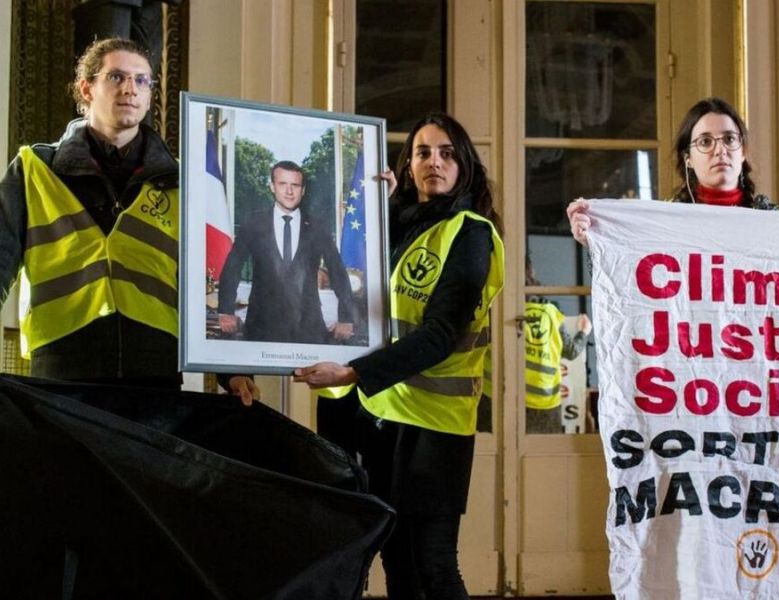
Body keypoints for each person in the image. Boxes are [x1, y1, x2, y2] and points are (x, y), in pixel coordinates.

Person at [294, 112, 504, 599]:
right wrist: (382, 209)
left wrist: (353, 371)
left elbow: (441, 334)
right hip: (381, 413)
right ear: (408, 165)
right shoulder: (395, 224)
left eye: (447, 153)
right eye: (423, 152)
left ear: (464, 165)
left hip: (435, 422)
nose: (435, 162)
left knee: (433, 561)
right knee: (396, 557)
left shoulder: (470, 233)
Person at [0, 37, 256, 403]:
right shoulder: (34, 170)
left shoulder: (183, 181)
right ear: (86, 88)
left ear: (150, 95)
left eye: (141, 80)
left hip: (155, 372)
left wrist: (233, 370)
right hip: (63, 369)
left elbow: (205, 284)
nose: (130, 89)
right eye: (116, 77)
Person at [568, 96, 779, 244]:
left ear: (742, 152)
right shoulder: (661, 221)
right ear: (688, 159)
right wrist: (594, 240)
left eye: (729, 139)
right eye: (705, 142)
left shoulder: (774, 220)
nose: (720, 150)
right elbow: (628, 275)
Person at [217, 160, 356, 344]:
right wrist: (226, 310)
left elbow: (337, 271)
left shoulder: (318, 226)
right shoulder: (253, 223)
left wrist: (346, 317)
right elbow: (232, 267)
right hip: (261, 327)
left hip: (308, 329)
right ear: (272, 186)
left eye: (295, 185)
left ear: (303, 190)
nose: (289, 191)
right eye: (283, 184)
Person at [524, 254, 592, 433]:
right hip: (544, 401)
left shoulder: (499, 312)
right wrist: (584, 331)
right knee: (544, 449)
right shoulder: (550, 313)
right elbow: (571, 351)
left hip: (502, 396)